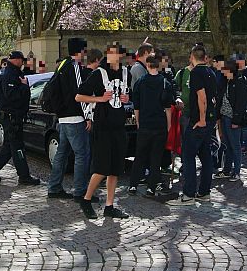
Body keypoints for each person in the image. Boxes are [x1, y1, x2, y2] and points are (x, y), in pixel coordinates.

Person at [75, 43, 131, 219]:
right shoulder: (99, 73)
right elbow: (79, 96)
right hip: (103, 126)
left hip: (119, 125)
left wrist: (126, 98)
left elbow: (127, 96)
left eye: (118, 54)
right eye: (112, 53)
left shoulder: (125, 73)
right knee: (101, 167)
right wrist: (99, 98)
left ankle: (110, 205)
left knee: (115, 168)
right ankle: (86, 198)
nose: (115, 57)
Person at [167, 44, 217, 206]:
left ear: (192, 57)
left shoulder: (196, 73)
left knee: (188, 156)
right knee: (205, 156)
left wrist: (201, 119)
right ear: (205, 58)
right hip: (209, 120)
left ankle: (188, 195)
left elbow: (202, 98)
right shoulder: (211, 72)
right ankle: (204, 192)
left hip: (199, 121)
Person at [47, 38, 94, 202]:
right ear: (80, 51)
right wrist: (87, 116)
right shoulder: (74, 67)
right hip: (74, 117)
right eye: (84, 51)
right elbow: (79, 94)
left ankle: (54, 187)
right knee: (82, 155)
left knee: (62, 154)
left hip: (63, 117)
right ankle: (80, 191)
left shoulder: (62, 65)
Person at [0, 51, 40, 185]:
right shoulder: (9, 74)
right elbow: (12, 95)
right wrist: (25, 87)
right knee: (18, 146)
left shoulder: (9, 73)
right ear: (16, 60)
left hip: (11, 116)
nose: (23, 63)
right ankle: (24, 176)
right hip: (11, 116)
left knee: (9, 146)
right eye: (21, 60)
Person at [129, 54, 174, 197]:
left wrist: (138, 122)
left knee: (140, 155)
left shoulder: (140, 83)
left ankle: (133, 185)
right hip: (159, 124)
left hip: (145, 124)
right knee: (156, 157)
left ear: (147, 65)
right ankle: (151, 187)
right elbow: (168, 107)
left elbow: (136, 106)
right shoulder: (165, 83)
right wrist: (168, 125)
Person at [214, 59, 247, 182]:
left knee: (235, 146)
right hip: (224, 117)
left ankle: (236, 172)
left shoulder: (239, 83)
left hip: (232, 118)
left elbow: (241, 104)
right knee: (227, 146)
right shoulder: (226, 82)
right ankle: (227, 169)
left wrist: (236, 121)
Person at [234, 54, 247, 155]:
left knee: (245, 124)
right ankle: (239, 143)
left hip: (245, 101)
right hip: (236, 102)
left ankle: (245, 144)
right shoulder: (236, 72)